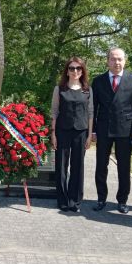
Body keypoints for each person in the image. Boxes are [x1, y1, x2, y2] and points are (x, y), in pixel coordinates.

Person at [91, 47, 132, 214]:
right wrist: (92, 131)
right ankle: (101, 198)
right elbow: (93, 107)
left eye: (120, 59)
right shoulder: (98, 81)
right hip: (103, 129)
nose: (116, 62)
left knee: (124, 167)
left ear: (125, 61)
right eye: (113, 59)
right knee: (101, 165)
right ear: (107, 61)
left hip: (125, 129)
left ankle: (122, 200)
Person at [50, 57, 94, 212]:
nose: (75, 71)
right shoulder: (59, 89)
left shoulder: (87, 90)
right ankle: (62, 200)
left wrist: (89, 135)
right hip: (62, 131)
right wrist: (53, 134)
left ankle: (74, 201)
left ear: (82, 71)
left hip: (81, 132)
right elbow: (54, 112)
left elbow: (90, 113)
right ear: (67, 71)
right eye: (72, 68)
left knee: (78, 167)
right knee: (61, 166)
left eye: (78, 68)